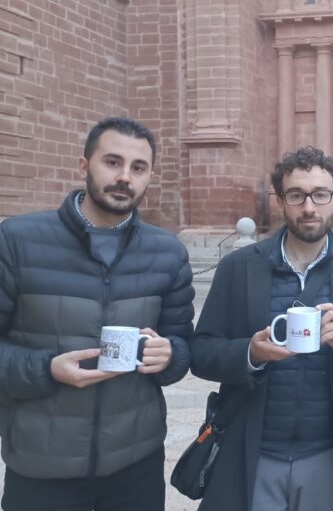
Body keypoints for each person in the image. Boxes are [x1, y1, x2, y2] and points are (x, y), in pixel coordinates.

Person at [0, 117, 195, 511]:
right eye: (112, 162)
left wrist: (170, 355)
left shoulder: (167, 252)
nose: (125, 177)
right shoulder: (18, 240)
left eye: (138, 168)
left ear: (149, 177)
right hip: (42, 464)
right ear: (83, 165)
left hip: (135, 463)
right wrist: (46, 369)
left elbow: (182, 345)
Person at [190, 146, 333, 511]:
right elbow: (202, 352)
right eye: (296, 195)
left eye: (320, 195)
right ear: (281, 201)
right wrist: (249, 354)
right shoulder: (239, 268)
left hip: (329, 454)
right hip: (252, 451)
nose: (309, 207)